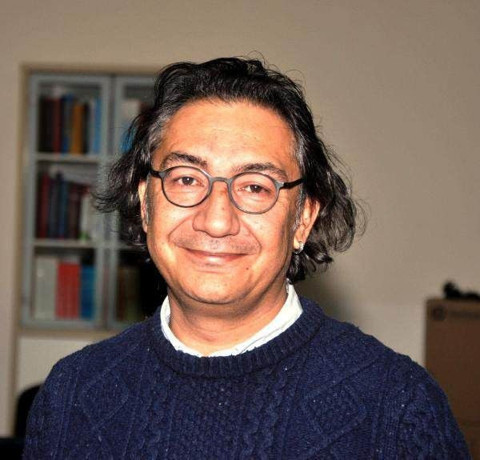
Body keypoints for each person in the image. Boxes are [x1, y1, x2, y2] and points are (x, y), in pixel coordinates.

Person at [24, 57, 470, 459]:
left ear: (303, 219)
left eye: (256, 187)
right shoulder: (72, 394)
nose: (217, 220)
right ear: (145, 204)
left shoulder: (397, 407)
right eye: (186, 179)